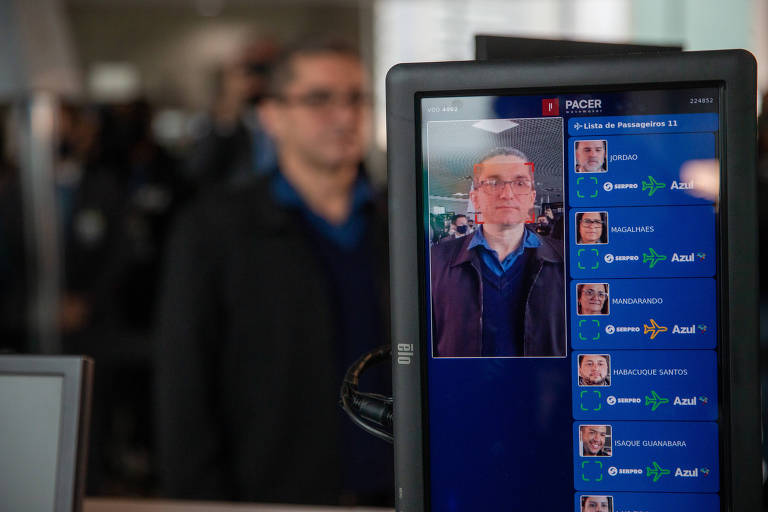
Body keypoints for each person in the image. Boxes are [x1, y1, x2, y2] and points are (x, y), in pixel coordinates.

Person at [156, 38, 392, 505]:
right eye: (319, 99)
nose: (344, 117)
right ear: (272, 114)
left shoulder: (404, 222)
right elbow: (184, 382)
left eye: (355, 98)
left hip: (397, 490)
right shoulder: (214, 230)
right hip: (274, 494)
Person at [430, 147, 565, 357]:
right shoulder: (435, 262)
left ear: (531, 198)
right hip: (463, 387)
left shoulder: (567, 261)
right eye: (493, 183)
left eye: (519, 183)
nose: (507, 194)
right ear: (475, 198)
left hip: (544, 388)